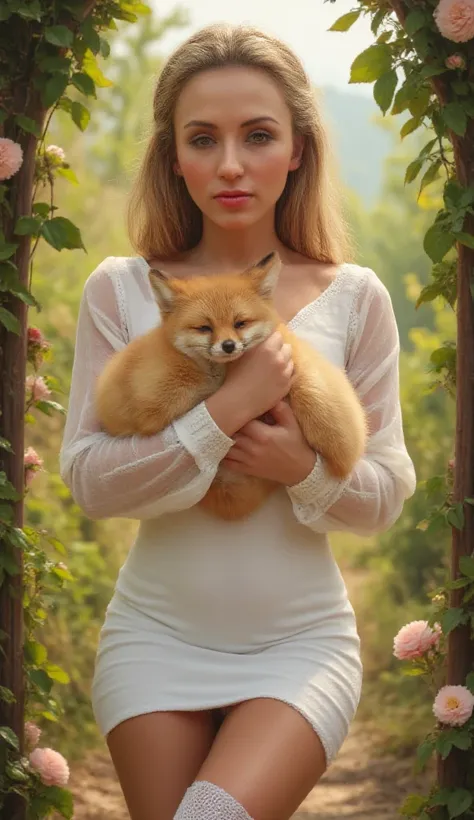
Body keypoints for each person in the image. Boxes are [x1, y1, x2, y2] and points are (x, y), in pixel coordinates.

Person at [59, 22, 417, 820]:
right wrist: (227, 409)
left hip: (300, 646)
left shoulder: (355, 298)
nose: (228, 164)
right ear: (172, 155)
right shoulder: (124, 291)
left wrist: (301, 470)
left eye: (257, 136)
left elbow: (388, 491)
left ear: (298, 148)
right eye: (202, 138)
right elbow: (89, 479)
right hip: (152, 639)